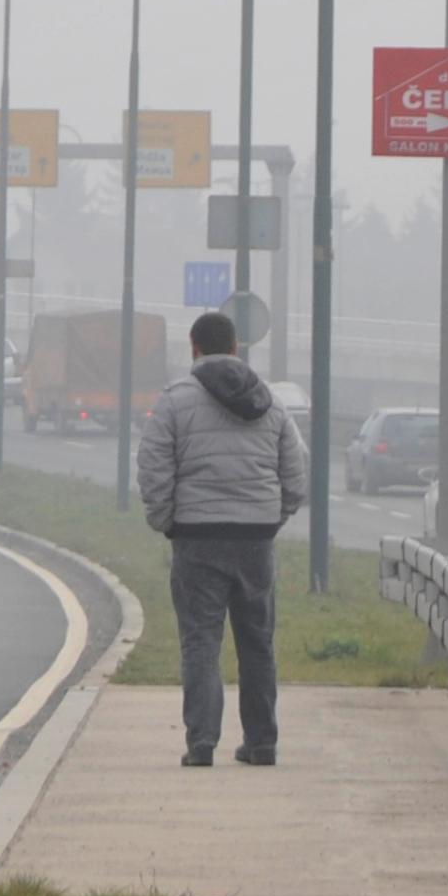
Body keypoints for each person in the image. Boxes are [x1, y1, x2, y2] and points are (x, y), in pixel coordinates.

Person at [135, 309, 306, 769]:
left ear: (194, 348)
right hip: (255, 541)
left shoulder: (174, 401)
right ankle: (261, 742)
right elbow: (296, 471)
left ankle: (202, 743)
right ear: (235, 348)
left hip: (196, 539)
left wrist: (167, 522)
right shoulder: (269, 401)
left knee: (200, 642)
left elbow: (153, 467)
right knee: (257, 643)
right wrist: (273, 517)